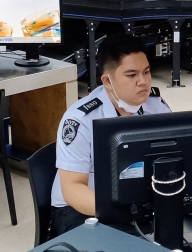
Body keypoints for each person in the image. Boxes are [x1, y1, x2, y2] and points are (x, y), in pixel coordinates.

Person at [51, 35, 171, 234]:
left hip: (138, 201)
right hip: (83, 208)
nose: (143, 82)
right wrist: (123, 213)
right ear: (107, 80)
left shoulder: (156, 105)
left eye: (147, 72)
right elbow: (73, 189)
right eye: (132, 75)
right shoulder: (80, 120)